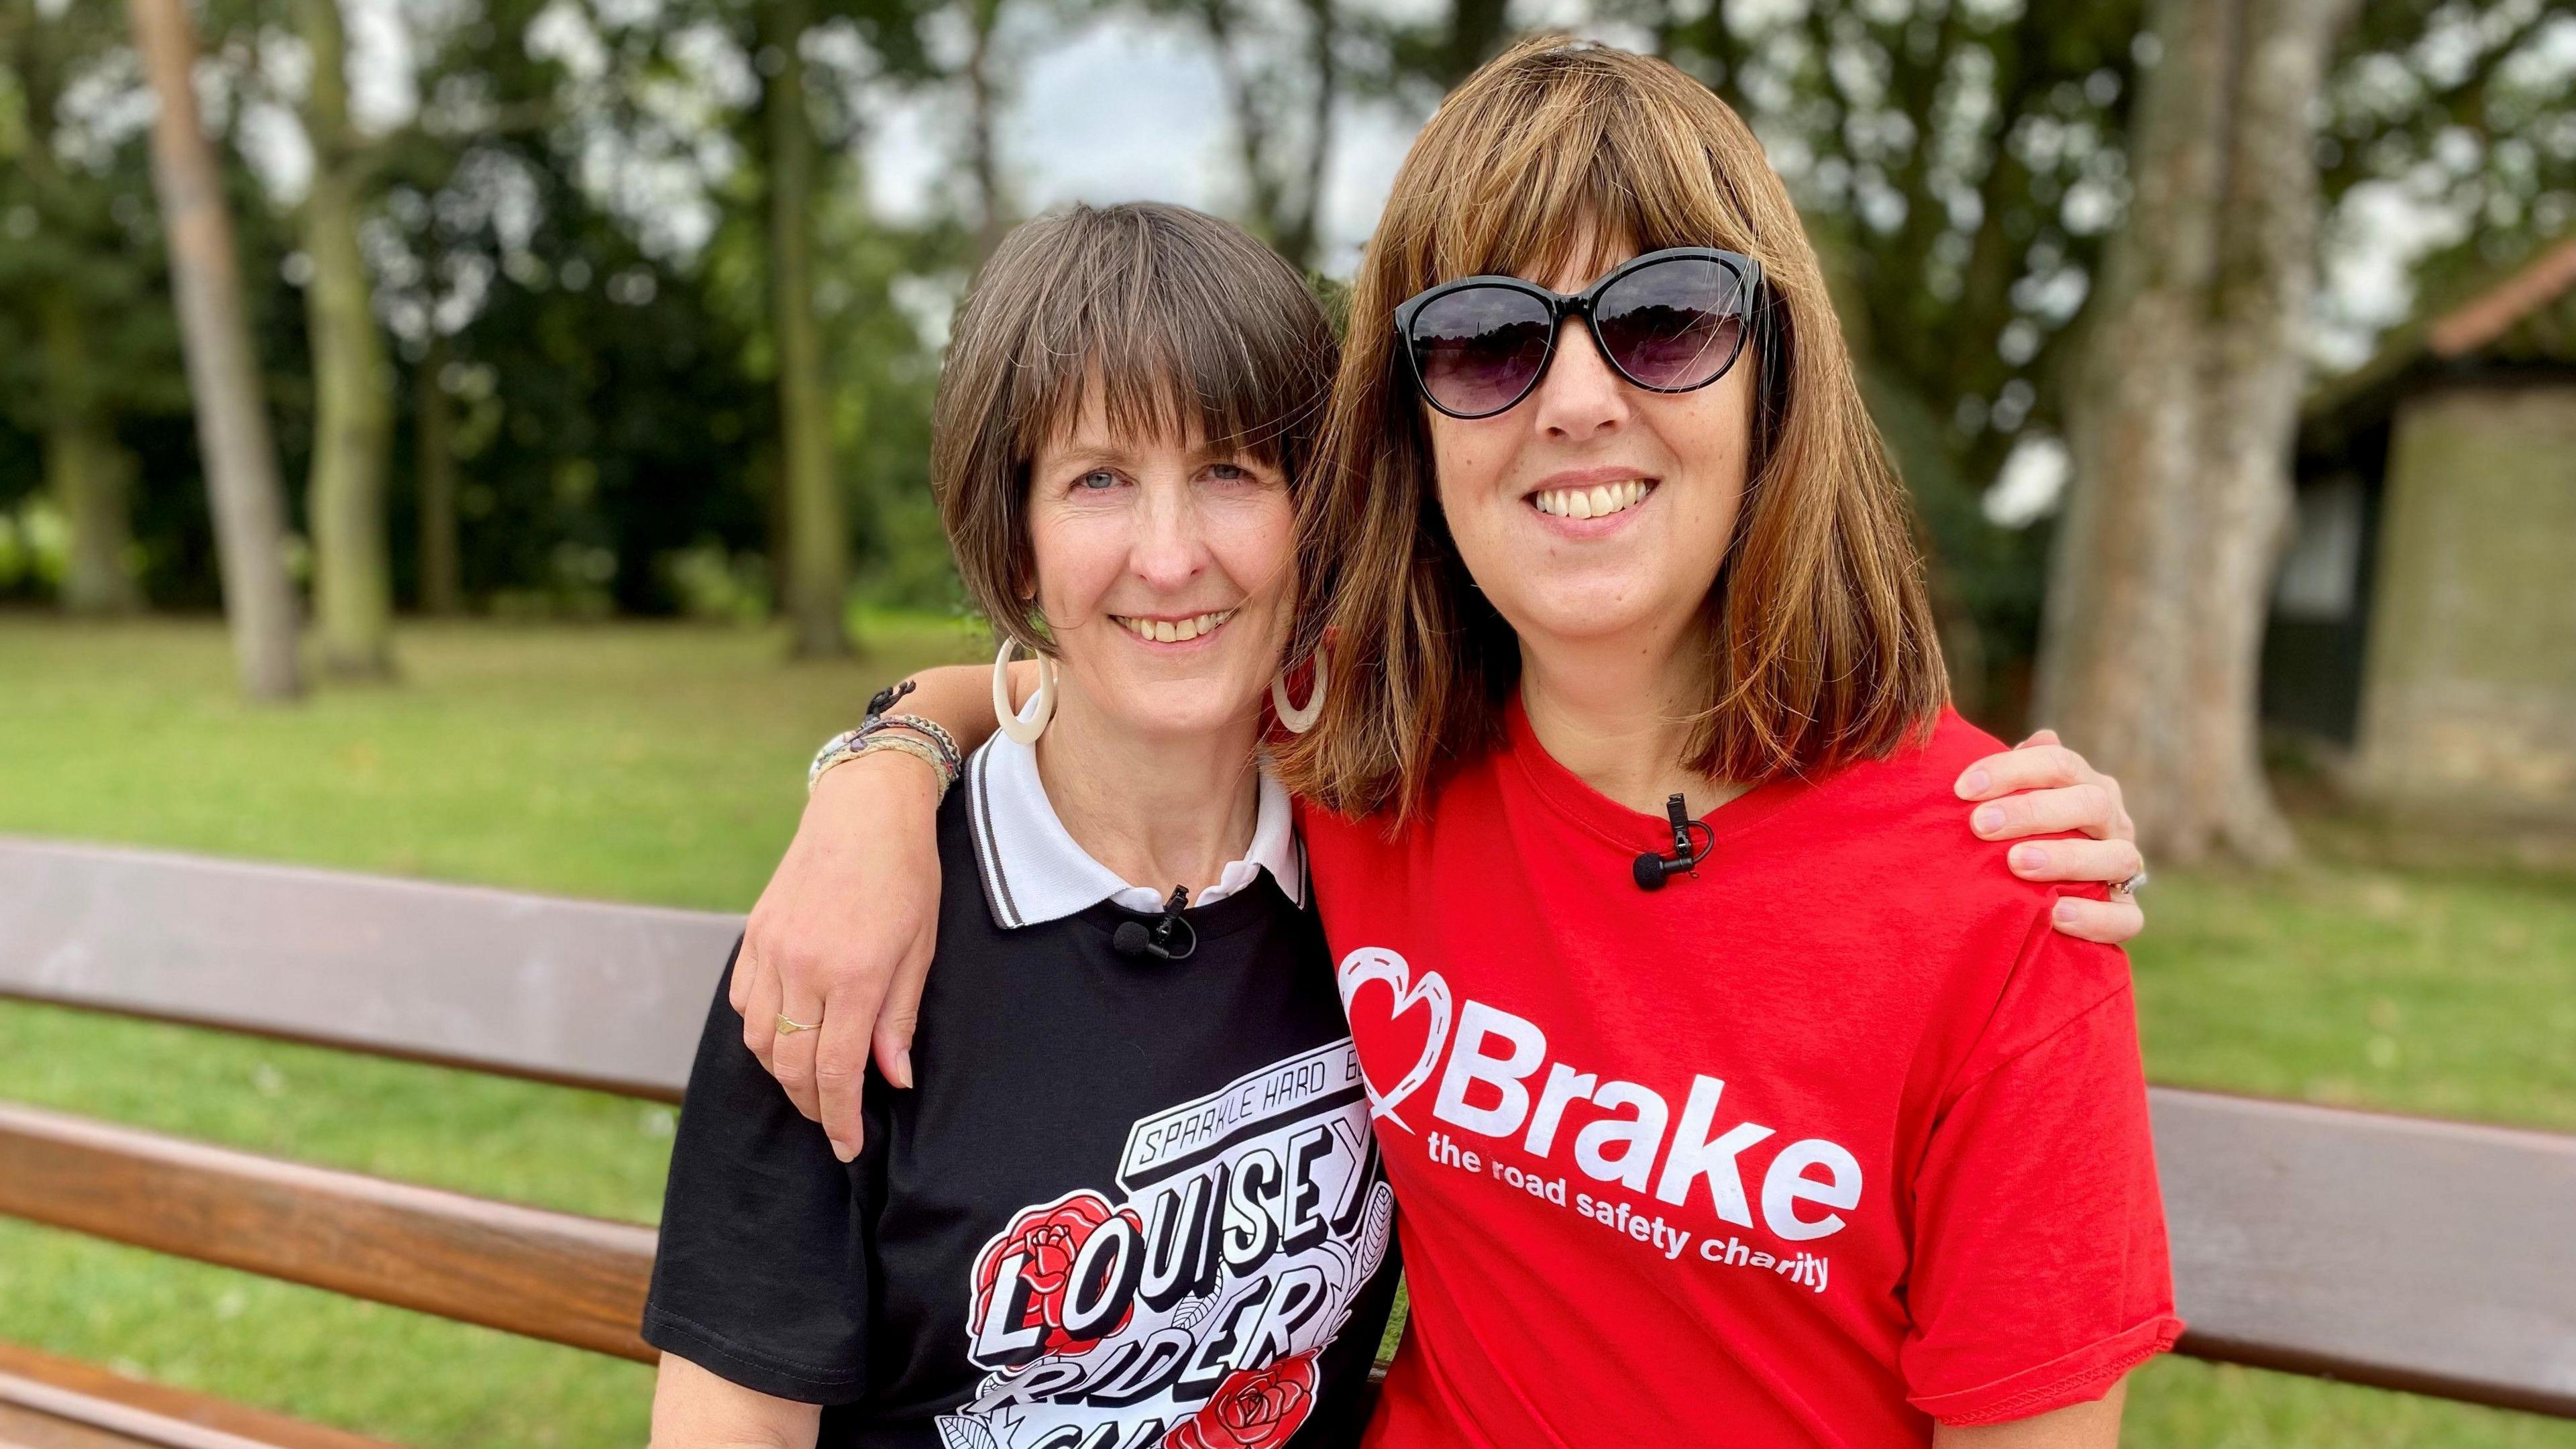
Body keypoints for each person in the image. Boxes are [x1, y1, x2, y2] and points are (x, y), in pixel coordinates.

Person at [728, 40, 2174, 1447]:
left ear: (1775, 375)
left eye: (1665, 318)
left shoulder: (2001, 893)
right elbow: (1103, 665)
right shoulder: (1371, 747)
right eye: (1487, 342)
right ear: (1411, 422)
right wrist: (886, 768)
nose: (1580, 400)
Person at [644, 203, 1400, 1449]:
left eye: (1230, 471)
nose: (1170, 558)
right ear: (1019, 537)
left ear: (1312, 513)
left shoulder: (1382, 867)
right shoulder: (855, 942)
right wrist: (885, 767)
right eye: (1099, 479)